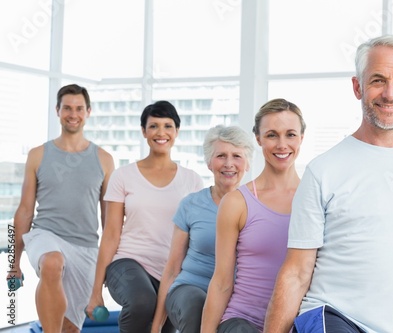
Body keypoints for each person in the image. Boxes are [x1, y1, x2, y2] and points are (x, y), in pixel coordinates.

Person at [263, 35, 393, 333]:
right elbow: (296, 273)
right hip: (334, 317)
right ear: (357, 87)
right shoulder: (323, 171)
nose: (390, 93)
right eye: (378, 80)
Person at [86, 100, 204, 333]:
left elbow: (194, 237)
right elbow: (110, 234)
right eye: (153, 126)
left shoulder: (192, 180)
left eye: (168, 126)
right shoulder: (123, 176)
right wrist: (95, 291)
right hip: (128, 262)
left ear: (177, 131)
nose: (161, 133)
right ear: (143, 131)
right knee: (142, 301)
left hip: (172, 272)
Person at [8, 84, 115, 333]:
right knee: (52, 263)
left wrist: (108, 264)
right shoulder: (38, 155)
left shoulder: (104, 159)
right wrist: (14, 262)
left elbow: (108, 218)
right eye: (67, 107)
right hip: (45, 235)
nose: (73, 114)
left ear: (88, 112)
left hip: (85, 247)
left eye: (79, 108)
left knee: (69, 328)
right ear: (57, 110)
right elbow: (24, 211)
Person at [201, 98, 306, 333]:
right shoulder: (237, 202)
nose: (281, 144)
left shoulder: (314, 199)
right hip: (242, 321)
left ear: (301, 138)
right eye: (271, 135)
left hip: (293, 323)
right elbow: (221, 282)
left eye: (290, 134)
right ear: (258, 138)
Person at [150, 124, 254, 333]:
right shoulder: (191, 205)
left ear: (247, 163)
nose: (229, 164)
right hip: (190, 290)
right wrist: (155, 327)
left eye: (237, 156)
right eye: (221, 156)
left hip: (234, 298)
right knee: (197, 306)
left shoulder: (256, 207)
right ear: (209, 162)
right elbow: (172, 269)